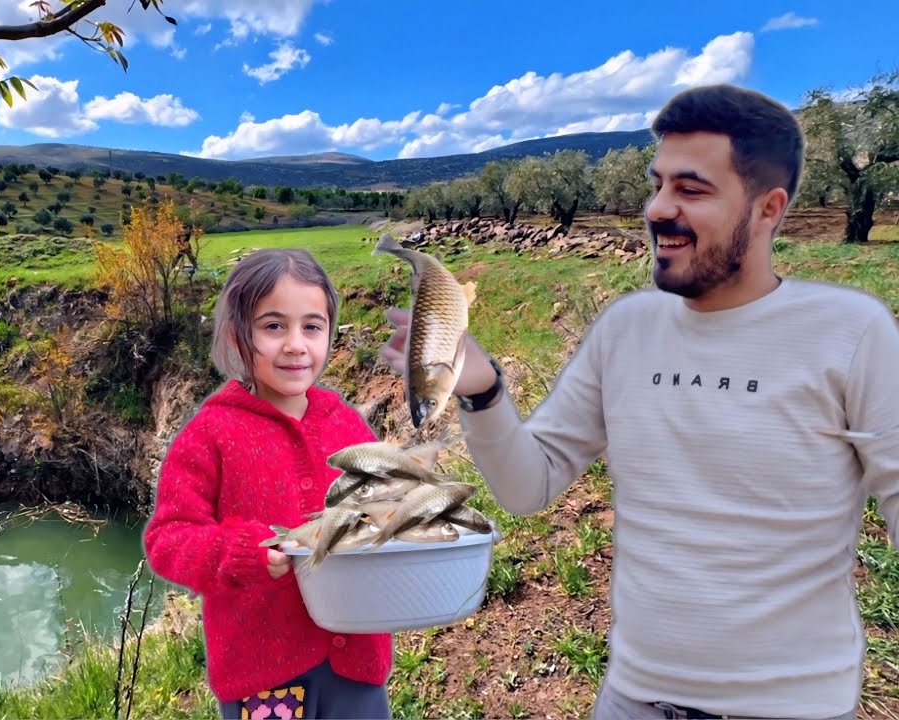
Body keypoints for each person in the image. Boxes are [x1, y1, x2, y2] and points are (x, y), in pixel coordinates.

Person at [380, 83, 899, 720]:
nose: (657, 208)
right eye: (657, 184)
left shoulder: (850, 331)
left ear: (768, 209)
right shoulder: (627, 328)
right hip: (635, 698)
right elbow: (528, 488)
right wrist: (483, 390)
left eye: (691, 189)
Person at [143, 247, 394, 719]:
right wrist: (238, 554)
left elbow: (385, 504)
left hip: (357, 662)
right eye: (273, 326)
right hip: (265, 675)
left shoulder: (346, 425)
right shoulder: (210, 435)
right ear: (239, 337)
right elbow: (167, 540)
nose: (296, 344)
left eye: (312, 327)